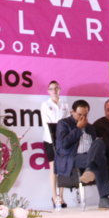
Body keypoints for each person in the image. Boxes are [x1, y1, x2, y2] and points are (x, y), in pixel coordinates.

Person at [55, 100, 109, 210]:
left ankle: (90, 169)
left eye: (85, 115)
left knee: (99, 142)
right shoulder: (63, 123)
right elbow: (63, 145)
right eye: (79, 115)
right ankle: (104, 199)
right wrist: (78, 128)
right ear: (72, 112)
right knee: (99, 159)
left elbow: (96, 147)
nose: (83, 118)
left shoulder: (90, 127)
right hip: (72, 157)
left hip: (88, 156)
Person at [39, 80, 70, 209]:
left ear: (59, 89)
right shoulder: (45, 105)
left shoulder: (65, 104)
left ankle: (61, 196)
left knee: (62, 168)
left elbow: (68, 122)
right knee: (53, 167)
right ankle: (54, 196)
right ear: (48, 91)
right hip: (50, 139)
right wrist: (55, 138)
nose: (54, 90)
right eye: (51, 88)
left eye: (56, 88)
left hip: (63, 140)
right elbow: (46, 124)